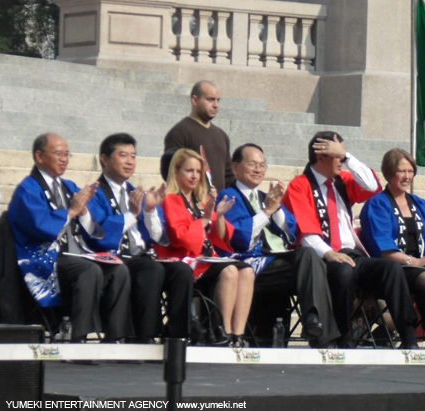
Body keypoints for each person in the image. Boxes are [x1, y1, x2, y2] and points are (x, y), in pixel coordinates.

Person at [281, 131, 419, 349]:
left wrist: (347, 157)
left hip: (352, 254)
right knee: (343, 271)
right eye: (337, 155)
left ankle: (408, 336)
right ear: (322, 155)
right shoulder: (300, 184)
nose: (342, 160)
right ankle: (345, 337)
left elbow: (372, 185)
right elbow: (306, 233)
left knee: (391, 268)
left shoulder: (341, 181)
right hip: (322, 258)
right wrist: (329, 253)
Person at [8, 133, 132, 342]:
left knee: (118, 269)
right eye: (58, 154)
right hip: (45, 256)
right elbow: (40, 227)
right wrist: (71, 212)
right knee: (89, 269)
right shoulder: (27, 189)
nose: (64, 159)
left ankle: (115, 337)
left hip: (76, 253)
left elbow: (93, 228)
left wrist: (83, 213)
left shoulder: (69, 187)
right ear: (39, 156)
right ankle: (81, 335)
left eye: (67, 154)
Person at [218, 143, 341, 348]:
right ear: (235, 167)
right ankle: (322, 335)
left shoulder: (265, 197)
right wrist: (265, 213)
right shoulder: (228, 197)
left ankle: (313, 320)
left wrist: (275, 209)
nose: (258, 170)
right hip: (249, 264)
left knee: (310, 255)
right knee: (310, 263)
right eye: (252, 164)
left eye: (262, 165)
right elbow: (240, 240)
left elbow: (290, 233)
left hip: (276, 260)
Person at [86, 133, 195, 343]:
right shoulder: (95, 193)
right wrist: (132, 215)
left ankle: (177, 337)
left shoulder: (135, 193)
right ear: (104, 159)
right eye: (123, 155)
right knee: (150, 268)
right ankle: (144, 336)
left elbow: (157, 237)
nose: (129, 161)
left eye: (133, 156)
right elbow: (98, 233)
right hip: (112, 256)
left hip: (141, 255)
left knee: (181, 269)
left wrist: (151, 210)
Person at [360, 149, 425, 349]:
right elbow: (383, 247)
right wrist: (416, 262)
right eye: (401, 171)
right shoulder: (377, 204)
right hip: (394, 268)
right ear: (389, 173)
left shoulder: (419, 203)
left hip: (422, 263)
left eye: (410, 171)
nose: (406, 176)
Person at [154, 148, 254, 347]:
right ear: (176, 172)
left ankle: (238, 334)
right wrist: (206, 218)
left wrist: (220, 214)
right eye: (189, 171)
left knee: (248, 272)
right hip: (184, 259)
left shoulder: (200, 200)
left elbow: (222, 236)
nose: (194, 176)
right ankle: (222, 330)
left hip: (207, 257)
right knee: (230, 271)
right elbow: (181, 238)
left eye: (198, 171)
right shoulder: (171, 199)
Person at [164, 80, 234, 192]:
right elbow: (171, 173)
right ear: (195, 100)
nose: (216, 105)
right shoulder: (180, 132)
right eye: (210, 99)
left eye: (218, 100)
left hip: (218, 206)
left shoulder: (222, 136)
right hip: (192, 206)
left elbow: (229, 176)